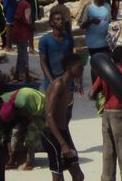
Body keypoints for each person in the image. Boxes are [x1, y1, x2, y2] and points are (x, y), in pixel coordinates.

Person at [88, 45, 122, 181]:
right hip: (119, 113)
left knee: (108, 150)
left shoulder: (105, 73)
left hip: (106, 113)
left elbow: (91, 94)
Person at [43, 53, 85, 181]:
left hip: (63, 132)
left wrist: (68, 141)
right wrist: (63, 144)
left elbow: (64, 118)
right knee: (58, 175)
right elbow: (49, 115)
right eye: (79, 67)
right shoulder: (58, 85)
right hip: (51, 134)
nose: (82, 70)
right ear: (68, 67)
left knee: (78, 175)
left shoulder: (68, 86)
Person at [80, 0, 112, 82]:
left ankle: (104, 86)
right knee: (95, 65)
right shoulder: (89, 8)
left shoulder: (107, 6)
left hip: (106, 42)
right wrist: (91, 21)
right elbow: (82, 26)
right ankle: (95, 86)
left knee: (107, 64)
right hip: (93, 43)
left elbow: (109, 21)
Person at [12, 0, 34, 81]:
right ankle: (26, 75)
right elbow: (18, 18)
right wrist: (29, 25)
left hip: (24, 33)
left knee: (22, 55)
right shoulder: (23, 4)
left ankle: (18, 74)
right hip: (21, 33)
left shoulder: (26, 4)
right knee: (23, 56)